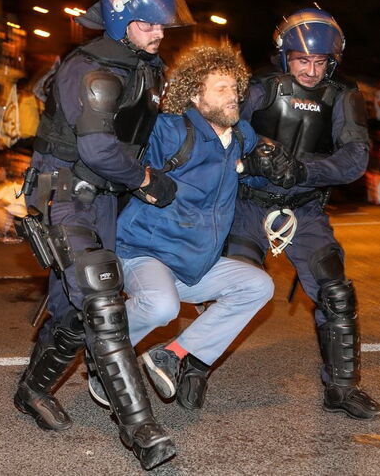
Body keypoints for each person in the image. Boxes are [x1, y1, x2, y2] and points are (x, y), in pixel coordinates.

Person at [13, 0, 193, 470]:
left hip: (103, 197)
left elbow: (138, 136)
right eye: (146, 22)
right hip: (65, 193)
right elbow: (96, 149)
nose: (157, 32)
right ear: (119, 18)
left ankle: (31, 389)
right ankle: (142, 431)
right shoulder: (95, 69)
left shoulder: (140, 63)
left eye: (161, 23)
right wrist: (145, 180)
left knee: (75, 308)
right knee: (101, 299)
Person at [224, 8, 380, 420]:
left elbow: (354, 158)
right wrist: (255, 149)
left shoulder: (344, 95)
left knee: (336, 291)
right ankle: (191, 365)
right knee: (230, 287)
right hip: (249, 205)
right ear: (284, 55)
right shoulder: (259, 85)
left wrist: (304, 170)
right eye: (302, 60)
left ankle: (343, 388)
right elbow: (222, 125)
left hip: (306, 209)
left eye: (319, 62)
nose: (311, 71)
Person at [114, 44, 272, 412]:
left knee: (258, 285)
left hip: (195, 261)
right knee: (161, 305)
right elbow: (123, 159)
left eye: (235, 88)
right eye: (221, 88)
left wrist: (266, 169)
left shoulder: (242, 137)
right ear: (196, 95)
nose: (232, 96)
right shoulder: (171, 130)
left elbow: (258, 179)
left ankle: (173, 353)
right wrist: (144, 179)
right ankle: (104, 356)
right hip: (144, 253)